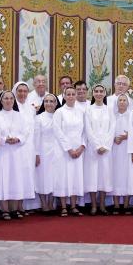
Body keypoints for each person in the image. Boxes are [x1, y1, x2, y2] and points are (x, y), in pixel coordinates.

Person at [0, 91, 33, 219]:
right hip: (2, 152)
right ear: (1, 100)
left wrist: (18, 139)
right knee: (3, 179)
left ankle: (14, 209)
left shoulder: (19, 116)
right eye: (6, 98)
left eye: (11, 98)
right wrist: (4, 139)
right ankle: (4, 209)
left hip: (16, 152)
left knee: (15, 179)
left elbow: (25, 132)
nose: (9, 100)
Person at [53, 86, 85, 216]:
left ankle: (73, 205)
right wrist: (69, 149)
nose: (71, 96)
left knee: (75, 177)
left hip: (78, 150)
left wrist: (81, 147)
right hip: (63, 151)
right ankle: (64, 206)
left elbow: (85, 131)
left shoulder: (81, 112)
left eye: (73, 94)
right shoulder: (59, 112)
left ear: (76, 95)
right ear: (64, 96)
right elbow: (58, 132)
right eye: (68, 94)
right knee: (63, 177)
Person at [84, 85, 114, 215]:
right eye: (96, 91)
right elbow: (88, 129)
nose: (99, 93)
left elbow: (112, 129)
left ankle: (102, 205)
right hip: (92, 149)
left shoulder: (109, 110)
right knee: (92, 176)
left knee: (104, 176)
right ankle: (93, 205)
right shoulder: (88, 110)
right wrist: (97, 145)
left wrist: (105, 145)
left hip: (106, 149)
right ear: (92, 93)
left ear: (105, 93)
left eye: (101, 91)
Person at [13, 81, 38, 215]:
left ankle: (21, 205)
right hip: (15, 147)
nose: (22, 93)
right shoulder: (11, 106)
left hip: (29, 147)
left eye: (24, 91)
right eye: (20, 91)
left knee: (26, 176)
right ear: (15, 92)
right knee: (16, 175)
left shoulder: (31, 108)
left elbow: (33, 129)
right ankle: (14, 207)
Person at [34, 93, 61, 213]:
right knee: (42, 177)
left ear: (56, 103)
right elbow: (36, 138)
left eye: (51, 101)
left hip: (57, 151)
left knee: (54, 177)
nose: (49, 104)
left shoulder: (59, 116)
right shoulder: (39, 118)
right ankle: (43, 203)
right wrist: (37, 154)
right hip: (43, 151)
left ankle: (51, 202)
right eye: (46, 101)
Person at [110, 94, 133, 214]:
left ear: (128, 103)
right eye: (120, 100)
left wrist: (127, 136)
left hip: (128, 149)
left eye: (125, 100)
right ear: (117, 102)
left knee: (127, 174)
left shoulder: (132, 116)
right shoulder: (112, 116)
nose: (122, 102)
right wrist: (113, 138)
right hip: (115, 149)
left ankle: (126, 204)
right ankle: (116, 204)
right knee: (116, 174)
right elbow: (107, 130)